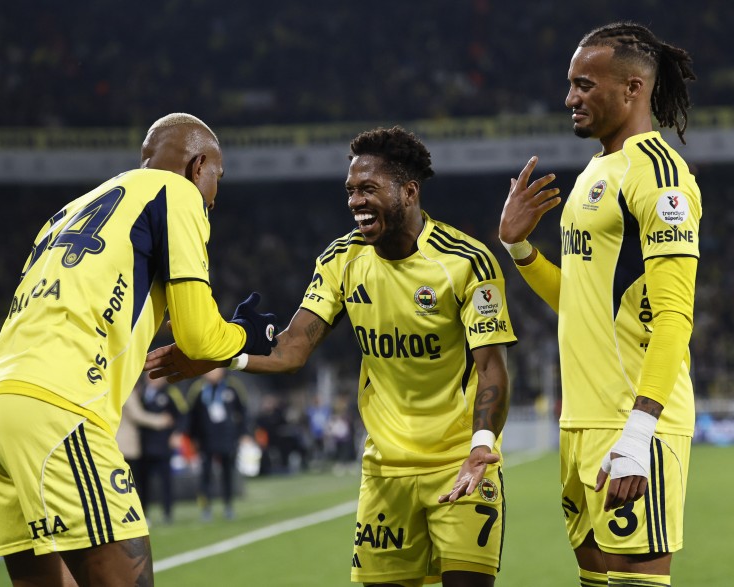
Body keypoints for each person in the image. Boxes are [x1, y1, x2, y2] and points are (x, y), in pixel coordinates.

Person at [146, 126, 517, 587]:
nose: (355, 201)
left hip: (460, 463)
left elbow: (492, 367)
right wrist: (221, 357)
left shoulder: (465, 261)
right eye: (350, 190)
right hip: (385, 472)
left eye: (368, 189)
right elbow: (291, 349)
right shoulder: (341, 260)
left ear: (409, 191)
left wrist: (482, 444)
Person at [0, 112, 278, 587]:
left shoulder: (72, 209)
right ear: (198, 166)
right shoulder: (178, 194)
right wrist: (246, 336)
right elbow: (198, 337)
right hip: (57, 408)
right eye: (218, 176)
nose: (215, 194)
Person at [497, 22, 700, 587]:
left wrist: (638, 435)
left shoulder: (658, 175)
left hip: (630, 424)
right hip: (580, 422)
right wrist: (519, 250)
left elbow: (675, 319)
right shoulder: (597, 170)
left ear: (633, 89)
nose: (570, 98)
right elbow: (583, 303)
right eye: (571, 84)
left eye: (584, 85)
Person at [186, 367, 248, 520]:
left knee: (228, 473)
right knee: (205, 475)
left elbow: (243, 412)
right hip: (206, 439)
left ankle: (228, 506)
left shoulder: (233, 386)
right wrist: (192, 438)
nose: (211, 373)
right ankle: (206, 508)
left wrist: (244, 433)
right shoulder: (198, 389)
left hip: (228, 438)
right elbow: (191, 416)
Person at [137, 375, 187, 525]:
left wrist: (177, 433)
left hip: (163, 445)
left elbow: (183, 414)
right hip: (144, 446)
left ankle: (167, 512)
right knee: (143, 483)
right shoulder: (141, 392)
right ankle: (143, 513)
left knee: (165, 481)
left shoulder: (171, 392)